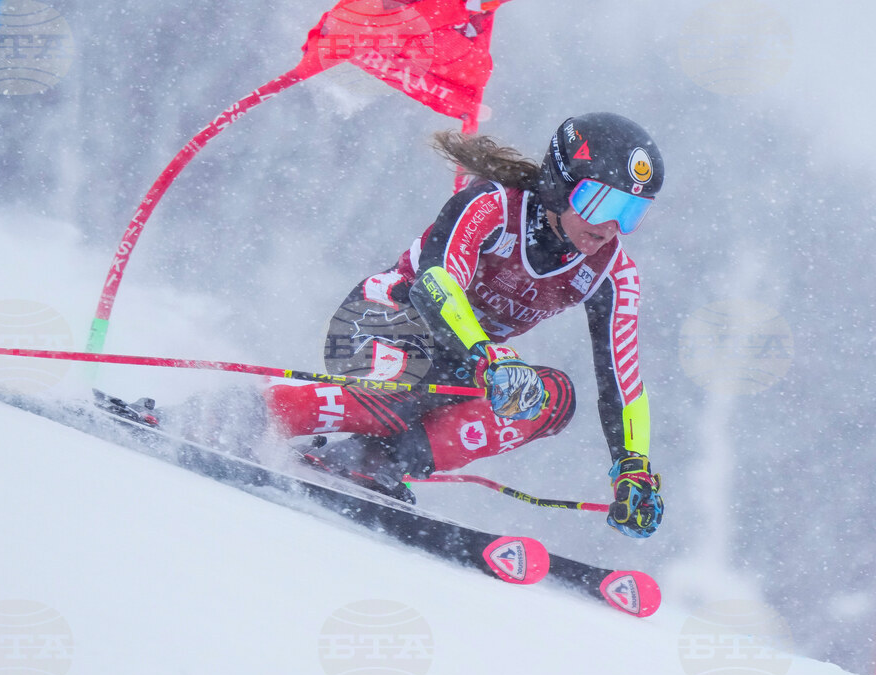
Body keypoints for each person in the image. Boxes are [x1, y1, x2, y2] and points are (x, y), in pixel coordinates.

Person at [249, 111, 667, 539]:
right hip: (383, 324)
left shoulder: (613, 274)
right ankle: (255, 412)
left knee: (552, 399)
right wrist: (488, 355)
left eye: (631, 213)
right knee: (399, 395)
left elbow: (623, 380)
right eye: (600, 204)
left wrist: (632, 468)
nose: (610, 227)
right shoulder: (492, 206)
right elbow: (435, 284)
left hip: (459, 365)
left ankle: (376, 460)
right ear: (560, 186)